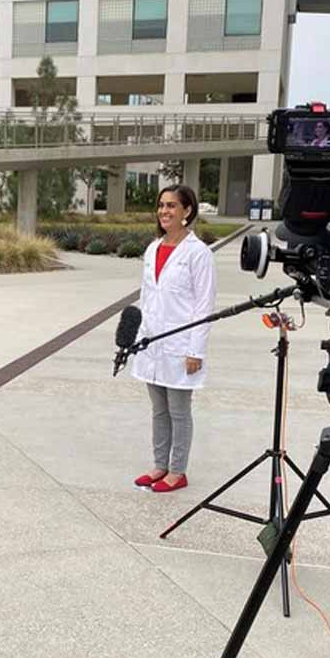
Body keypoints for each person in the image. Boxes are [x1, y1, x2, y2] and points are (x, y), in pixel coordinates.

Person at [131, 184, 216, 494]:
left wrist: (196, 351)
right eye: (161, 205)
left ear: (187, 211)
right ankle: (159, 465)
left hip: (182, 346)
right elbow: (146, 297)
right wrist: (139, 339)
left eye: (171, 206)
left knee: (179, 411)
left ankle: (177, 471)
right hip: (152, 343)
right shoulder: (153, 248)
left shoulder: (198, 253)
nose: (164, 211)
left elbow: (204, 306)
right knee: (159, 410)